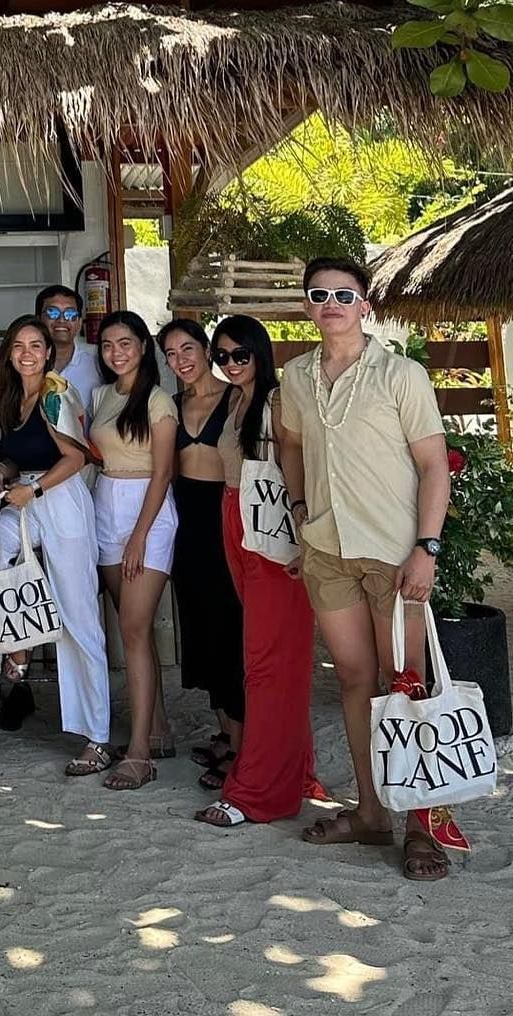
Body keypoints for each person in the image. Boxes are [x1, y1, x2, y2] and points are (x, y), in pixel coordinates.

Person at [280, 258, 452, 881]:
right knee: (356, 681)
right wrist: (300, 510)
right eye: (319, 294)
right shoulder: (294, 378)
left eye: (343, 295)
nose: (331, 303)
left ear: (364, 305)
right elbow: (291, 445)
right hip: (328, 550)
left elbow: (435, 465)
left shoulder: (401, 374)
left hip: (394, 550)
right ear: (308, 306)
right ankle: (373, 811)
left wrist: (426, 548)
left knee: (406, 686)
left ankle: (422, 826)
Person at [194, 315, 321, 830]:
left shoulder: (279, 399)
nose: (229, 364)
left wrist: (303, 532)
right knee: (271, 658)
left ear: (259, 354)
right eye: (221, 356)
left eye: (239, 355)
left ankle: (259, 790)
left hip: (273, 527)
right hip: (239, 521)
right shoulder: (236, 399)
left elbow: (305, 461)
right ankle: (292, 771)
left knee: (268, 663)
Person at [0, 316, 111, 775]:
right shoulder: (13, 399)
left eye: (35, 345)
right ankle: (20, 644)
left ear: (47, 351)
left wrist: (32, 491)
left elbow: (76, 457)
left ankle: (96, 737)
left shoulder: (56, 395)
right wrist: (4, 471)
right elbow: (19, 455)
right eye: (18, 345)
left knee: (80, 616)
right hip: (26, 496)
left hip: (59, 499)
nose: (27, 353)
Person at [90, 310, 178, 790]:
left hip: (148, 513)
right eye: (108, 344)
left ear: (143, 346)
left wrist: (141, 534)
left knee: (133, 628)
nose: (116, 352)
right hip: (106, 506)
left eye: (125, 342)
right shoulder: (103, 396)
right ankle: (158, 729)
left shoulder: (159, 401)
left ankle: (140, 753)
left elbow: (163, 474)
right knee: (131, 629)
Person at [159, 318, 245, 789]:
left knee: (231, 625)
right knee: (201, 627)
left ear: (206, 349)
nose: (181, 360)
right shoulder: (172, 405)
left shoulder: (234, 398)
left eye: (188, 349)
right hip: (185, 520)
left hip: (225, 517)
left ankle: (243, 742)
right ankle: (224, 732)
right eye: (171, 354)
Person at [36, 285, 102, 415]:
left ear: (79, 322)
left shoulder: (98, 360)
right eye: (52, 313)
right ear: (38, 320)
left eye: (70, 314)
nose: (61, 320)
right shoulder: (27, 362)